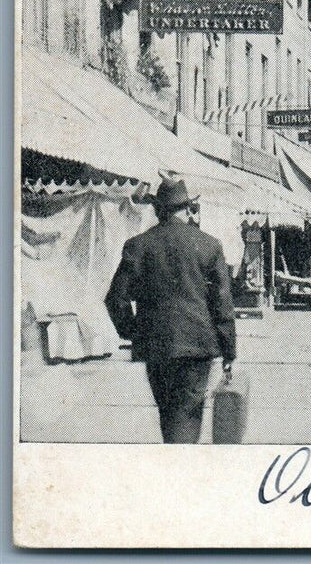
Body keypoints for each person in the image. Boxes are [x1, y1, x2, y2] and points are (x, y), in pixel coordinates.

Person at [105, 177, 236, 444]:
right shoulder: (210, 246)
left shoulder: (138, 245)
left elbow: (115, 299)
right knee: (187, 416)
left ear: (156, 211)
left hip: (156, 347)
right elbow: (222, 304)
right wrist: (229, 349)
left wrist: (135, 332)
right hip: (197, 349)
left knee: (168, 413)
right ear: (188, 209)